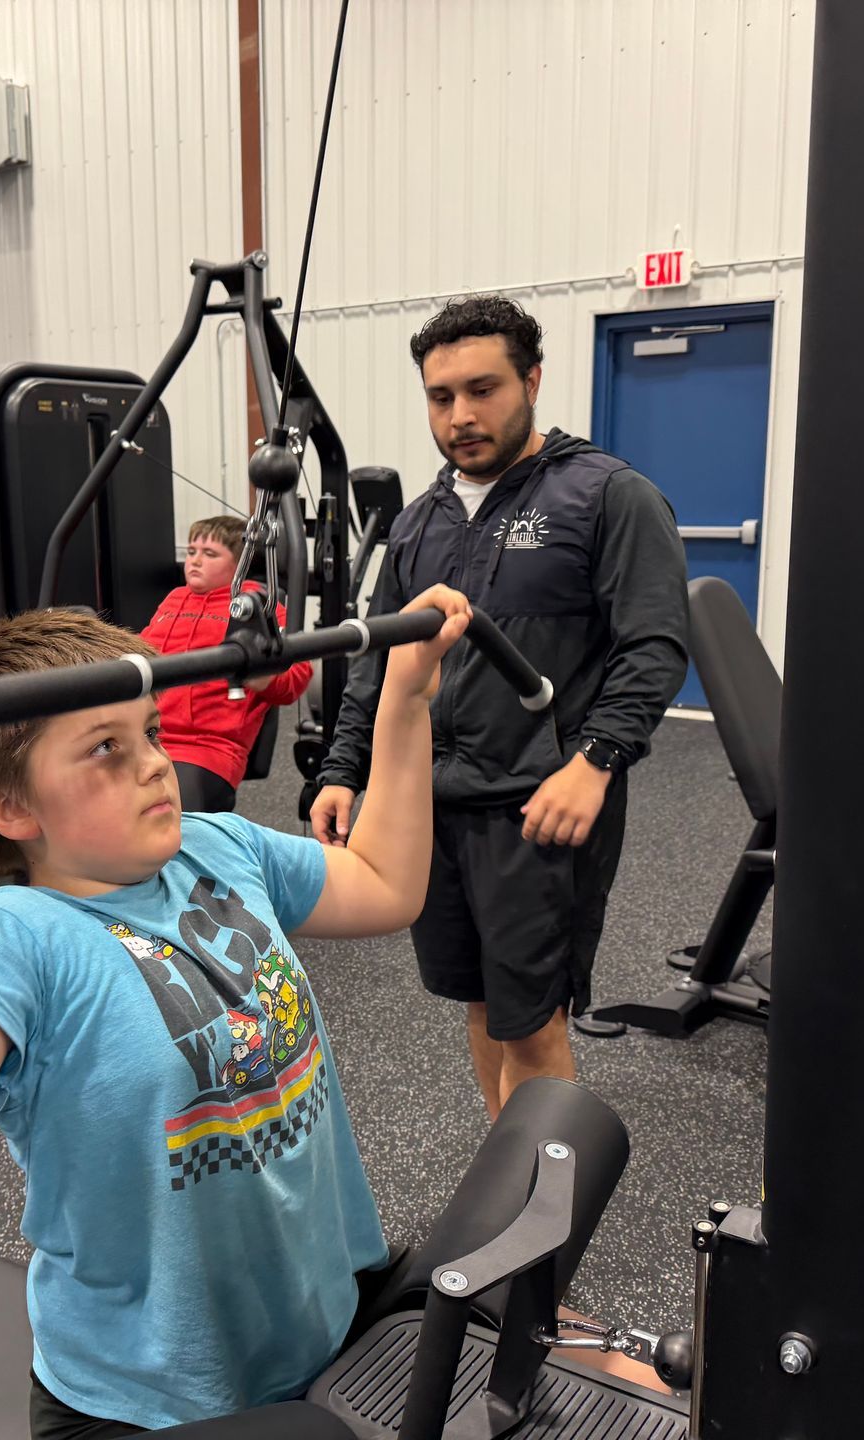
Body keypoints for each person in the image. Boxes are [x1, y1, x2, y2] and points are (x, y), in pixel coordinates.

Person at [0, 586, 472, 1437]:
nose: (155, 761)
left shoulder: (215, 846)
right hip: (147, 1407)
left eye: (149, 731)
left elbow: (384, 883)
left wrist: (405, 700)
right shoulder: (14, 938)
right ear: (11, 809)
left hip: (325, 1324)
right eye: (105, 749)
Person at [311, 294, 689, 1122]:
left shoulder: (606, 496)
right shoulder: (420, 522)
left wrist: (595, 764)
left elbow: (654, 648)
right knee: (482, 1004)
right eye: (441, 397)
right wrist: (342, 770)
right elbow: (381, 658)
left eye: (483, 390)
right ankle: (505, 1175)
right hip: (432, 805)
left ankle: (546, 1224)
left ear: (533, 380)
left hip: (538, 807)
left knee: (535, 1021)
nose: (461, 416)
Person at [138, 514, 312, 813]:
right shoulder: (174, 599)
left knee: (178, 823)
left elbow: (297, 673)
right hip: (146, 736)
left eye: (210, 554)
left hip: (207, 747)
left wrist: (264, 677)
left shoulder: (258, 606)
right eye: (192, 552)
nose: (194, 561)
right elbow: (139, 648)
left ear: (240, 564)